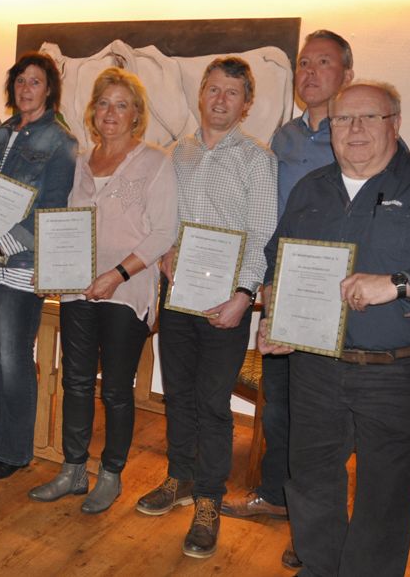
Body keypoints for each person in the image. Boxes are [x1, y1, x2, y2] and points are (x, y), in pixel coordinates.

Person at [259, 81, 410, 576]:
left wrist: (399, 284)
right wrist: (275, 303)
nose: (354, 129)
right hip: (314, 367)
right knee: (311, 479)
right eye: (342, 119)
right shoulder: (311, 188)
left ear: (395, 124)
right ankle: (319, 567)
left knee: (385, 494)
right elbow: (278, 254)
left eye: (370, 117)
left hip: (399, 372)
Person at [134, 57, 277, 559]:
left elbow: (261, 234)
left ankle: (209, 501)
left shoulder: (258, 159)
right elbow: (166, 218)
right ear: (201, 95)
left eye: (231, 93)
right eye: (213, 90)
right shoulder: (178, 153)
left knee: (214, 404)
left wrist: (243, 296)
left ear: (246, 104)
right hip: (179, 297)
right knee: (178, 395)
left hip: (226, 303)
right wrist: (168, 251)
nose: (220, 100)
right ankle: (180, 478)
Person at [221, 29, 353, 570]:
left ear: (346, 73)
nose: (310, 72)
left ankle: (313, 530)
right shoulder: (284, 138)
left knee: (321, 421)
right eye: (304, 62)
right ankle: (275, 495)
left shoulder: (357, 132)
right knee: (279, 406)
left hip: (335, 291)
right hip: (282, 286)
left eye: (323, 62)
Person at [28, 68, 178, 513]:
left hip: (127, 291)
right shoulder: (79, 162)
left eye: (121, 105)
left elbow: (163, 233)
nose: (111, 112)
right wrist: (48, 267)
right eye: (104, 103)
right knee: (75, 381)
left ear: (136, 114)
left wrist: (116, 275)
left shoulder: (156, 162)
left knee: (114, 388)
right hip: (77, 290)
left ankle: (110, 474)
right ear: (93, 112)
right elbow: (61, 223)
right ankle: (73, 469)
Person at [0, 51, 76, 480]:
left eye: (35, 82)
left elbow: (51, 211)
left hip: (20, 266)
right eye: (21, 81)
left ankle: (15, 450)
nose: (26, 89)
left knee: (12, 358)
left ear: (49, 89)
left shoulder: (62, 143)